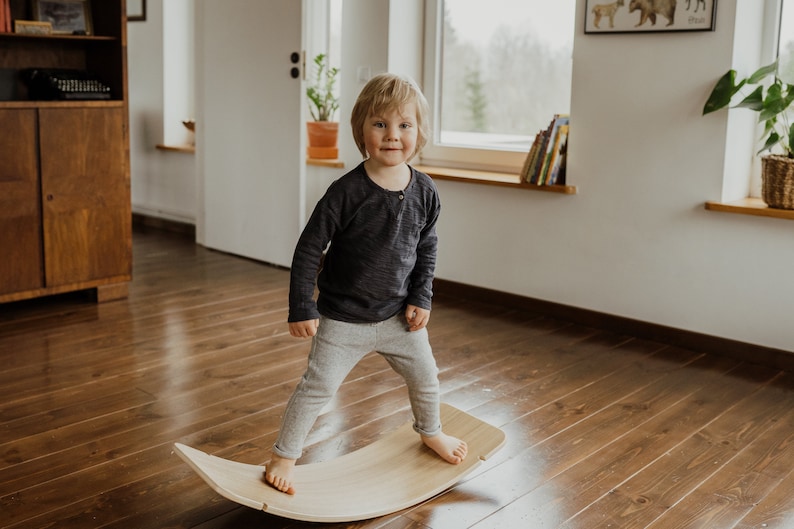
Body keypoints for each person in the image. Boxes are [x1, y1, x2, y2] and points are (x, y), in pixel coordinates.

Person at [264, 73, 468, 495]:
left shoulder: (426, 191)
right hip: (342, 319)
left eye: (404, 125)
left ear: (419, 133)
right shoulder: (345, 192)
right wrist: (302, 304)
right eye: (380, 124)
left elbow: (426, 249)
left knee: (426, 377)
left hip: (399, 317)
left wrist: (421, 296)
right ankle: (284, 455)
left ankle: (430, 431)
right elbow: (308, 249)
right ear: (361, 130)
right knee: (317, 388)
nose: (392, 136)